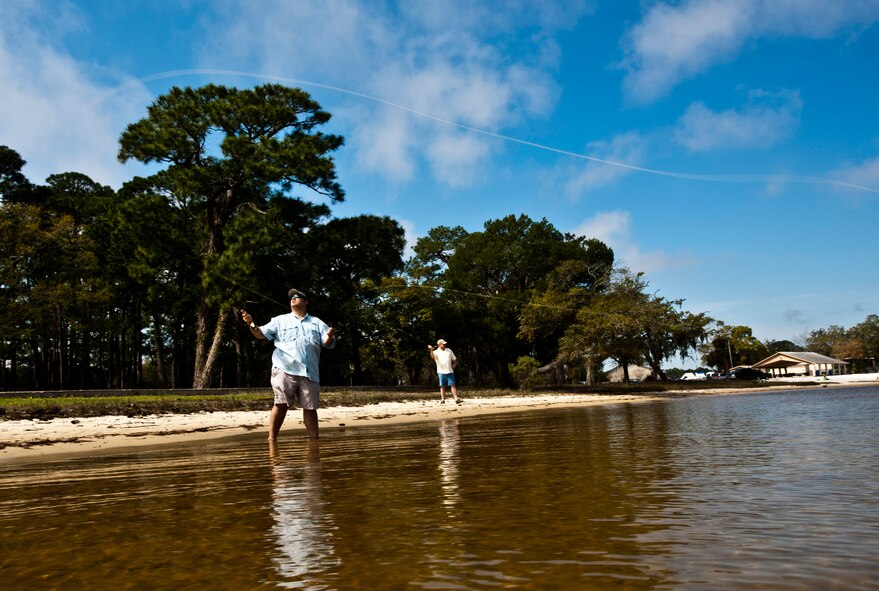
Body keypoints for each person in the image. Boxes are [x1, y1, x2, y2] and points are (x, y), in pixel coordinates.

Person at [242, 288, 335, 440]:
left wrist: (330, 335)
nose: (293, 298)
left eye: (298, 296)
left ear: (305, 302)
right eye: (292, 296)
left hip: (309, 372)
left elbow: (327, 343)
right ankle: (272, 440)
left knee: (310, 408)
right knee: (281, 404)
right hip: (284, 369)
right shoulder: (279, 320)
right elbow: (259, 334)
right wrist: (251, 323)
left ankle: (314, 442)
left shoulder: (316, 322)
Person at [428, 339, 461, 404]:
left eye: (445, 344)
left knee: (453, 385)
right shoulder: (436, 352)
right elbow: (432, 356)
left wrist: (454, 364)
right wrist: (431, 349)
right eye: (443, 344)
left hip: (450, 371)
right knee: (442, 386)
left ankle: (456, 398)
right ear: (439, 345)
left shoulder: (449, 350)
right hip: (441, 371)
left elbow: (454, 359)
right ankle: (443, 399)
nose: (444, 345)